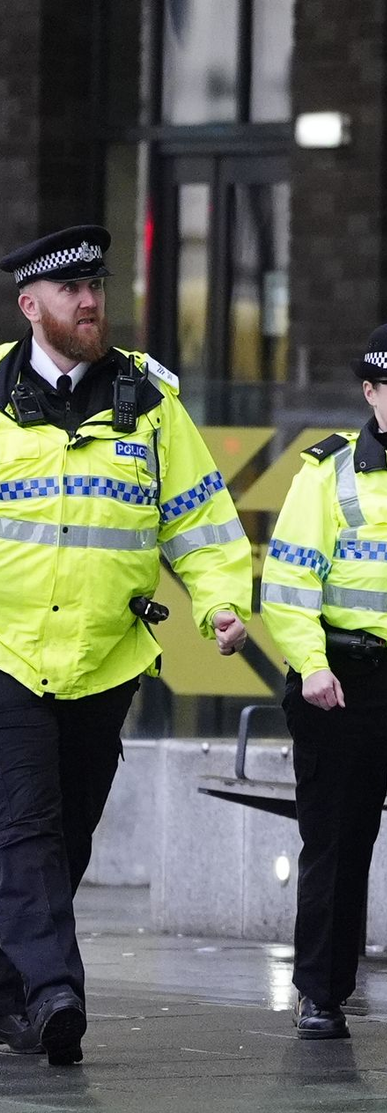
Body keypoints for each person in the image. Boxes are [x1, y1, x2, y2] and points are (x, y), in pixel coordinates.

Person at [0, 226, 252, 1065]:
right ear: (30, 305)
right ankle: (54, 991)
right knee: (27, 823)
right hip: (9, 652)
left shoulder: (149, 403)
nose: (89, 301)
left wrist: (219, 601)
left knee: (69, 827)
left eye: (96, 287)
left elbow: (204, 525)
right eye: (70, 290)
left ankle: (13, 989)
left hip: (106, 657)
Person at [260, 323, 387, 1044]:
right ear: (370, 391)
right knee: (337, 840)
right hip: (340, 680)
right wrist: (311, 665)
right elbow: (288, 583)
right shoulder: (327, 471)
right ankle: (319, 991)